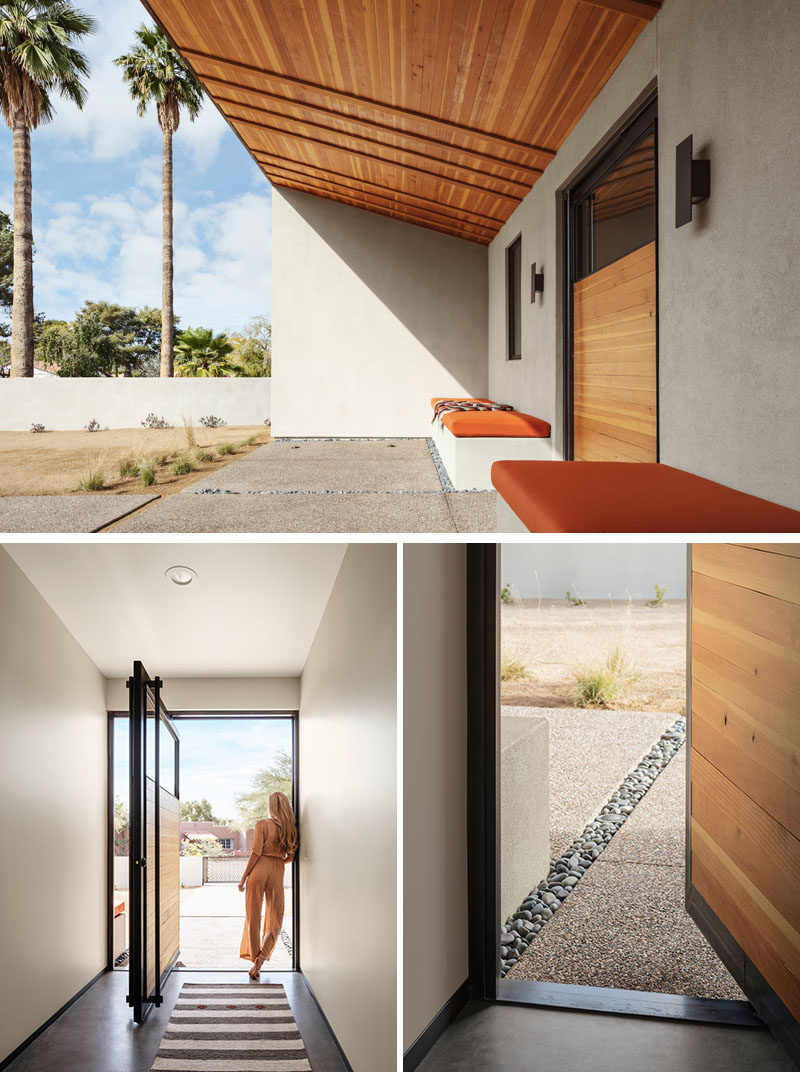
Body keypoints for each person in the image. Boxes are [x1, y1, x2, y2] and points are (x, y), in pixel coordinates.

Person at [238, 790, 298, 978]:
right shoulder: (291, 829)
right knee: (276, 917)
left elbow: (255, 853)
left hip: (259, 868)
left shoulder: (262, 824)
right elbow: (291, 857)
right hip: (277, 869)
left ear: (271, 807)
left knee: (253, 915)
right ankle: (260, 960)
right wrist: (277, 860)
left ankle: (254, 961)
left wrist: (243, 877)